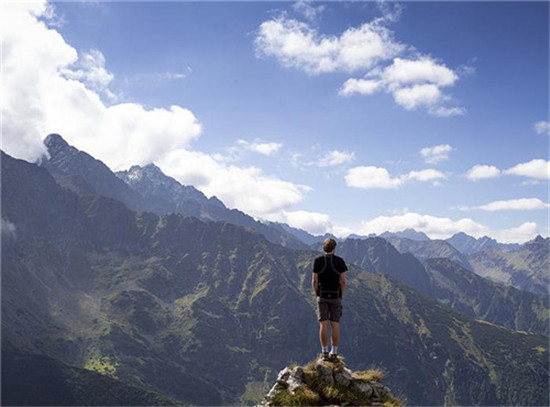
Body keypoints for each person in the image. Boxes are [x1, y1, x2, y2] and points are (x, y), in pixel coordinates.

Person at [312, 238, 347, 362]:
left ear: (324, 248)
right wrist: (340, 294)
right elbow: (343, 281)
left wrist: (317, 294)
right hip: (336, 296)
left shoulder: (318, 261)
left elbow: (314, 281)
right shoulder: (340, 261)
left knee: (323, 324)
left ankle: (324, 352)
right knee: (335, 324)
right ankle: (335, 352)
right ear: (334, 248)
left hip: (322, 295)